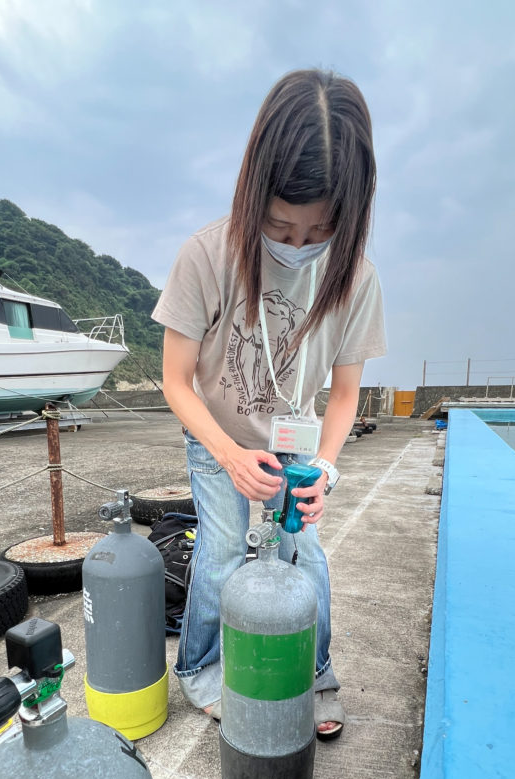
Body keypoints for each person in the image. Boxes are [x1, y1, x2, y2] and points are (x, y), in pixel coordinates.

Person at [152, 68, 386, 740]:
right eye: (280, 224)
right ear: (254, 190)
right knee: (223, 552)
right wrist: (227, 454)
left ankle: (315, 675)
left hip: (295, 440)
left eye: (319, 227)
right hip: (218, 431)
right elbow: (175, 381)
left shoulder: (356, 275)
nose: (296, 241)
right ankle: (198, 669)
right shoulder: (206, 254)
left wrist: (329, 471)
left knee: (303, 553)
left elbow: (344, 393)